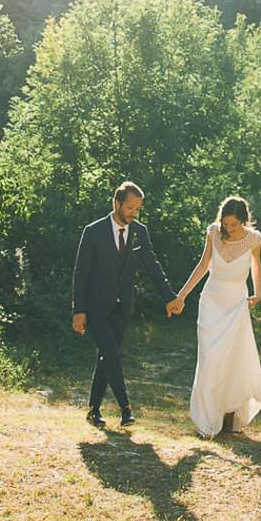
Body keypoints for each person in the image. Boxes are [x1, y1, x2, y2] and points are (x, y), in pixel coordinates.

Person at [71, 180, 181, 427]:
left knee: (106, 357)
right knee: (111, 353)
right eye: (130, 207)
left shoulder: (140, 232)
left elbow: (153, 265)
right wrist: (79, 310)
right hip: (95, 307)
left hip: (123, 308)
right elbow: (80, 273)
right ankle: (125, 407)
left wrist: (169, 296)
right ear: (117, 203)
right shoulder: (93, 231)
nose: (134, 213)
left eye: (137, 209)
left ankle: (94, 409)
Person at [169, 194, 261, 439]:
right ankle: (207, 419)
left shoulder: (254, 239)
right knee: (211, 359)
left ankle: (229, 416)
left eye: (233, 224)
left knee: (233, 360)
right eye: (225, 223)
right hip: (211, 301)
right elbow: (203, 266)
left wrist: (258, 292)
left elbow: (256, 265)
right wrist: (181, 296)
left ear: (243, 220)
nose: (228, 228)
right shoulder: (213, 232)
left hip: (236, 304)